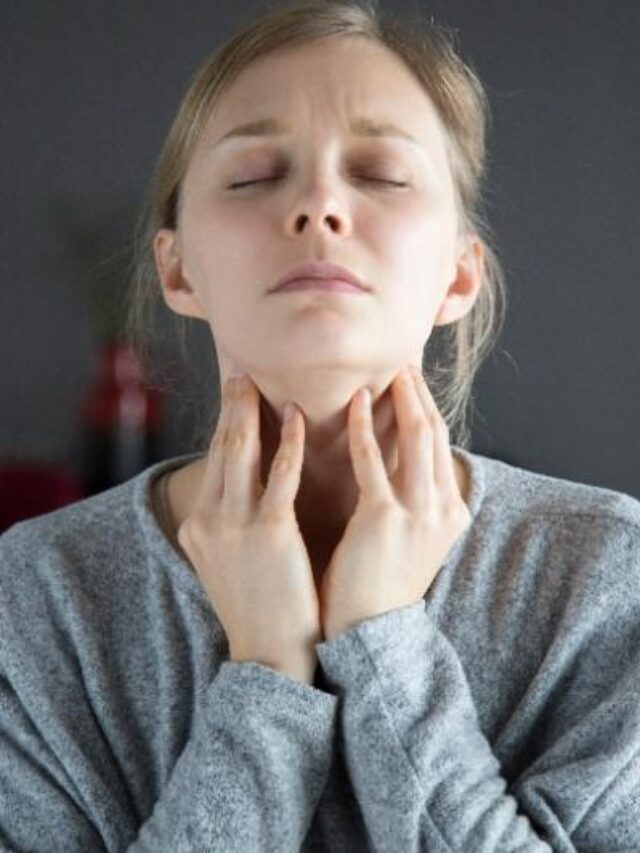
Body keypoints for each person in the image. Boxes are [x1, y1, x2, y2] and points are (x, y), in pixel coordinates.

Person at [1, 1, 639, 850]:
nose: (319, 209)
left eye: (380, 172)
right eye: (254, 174)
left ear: (459, 274)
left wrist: (383, 638)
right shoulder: (33, 599)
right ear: (177, 267)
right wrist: (265, 670)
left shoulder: (613, 576)